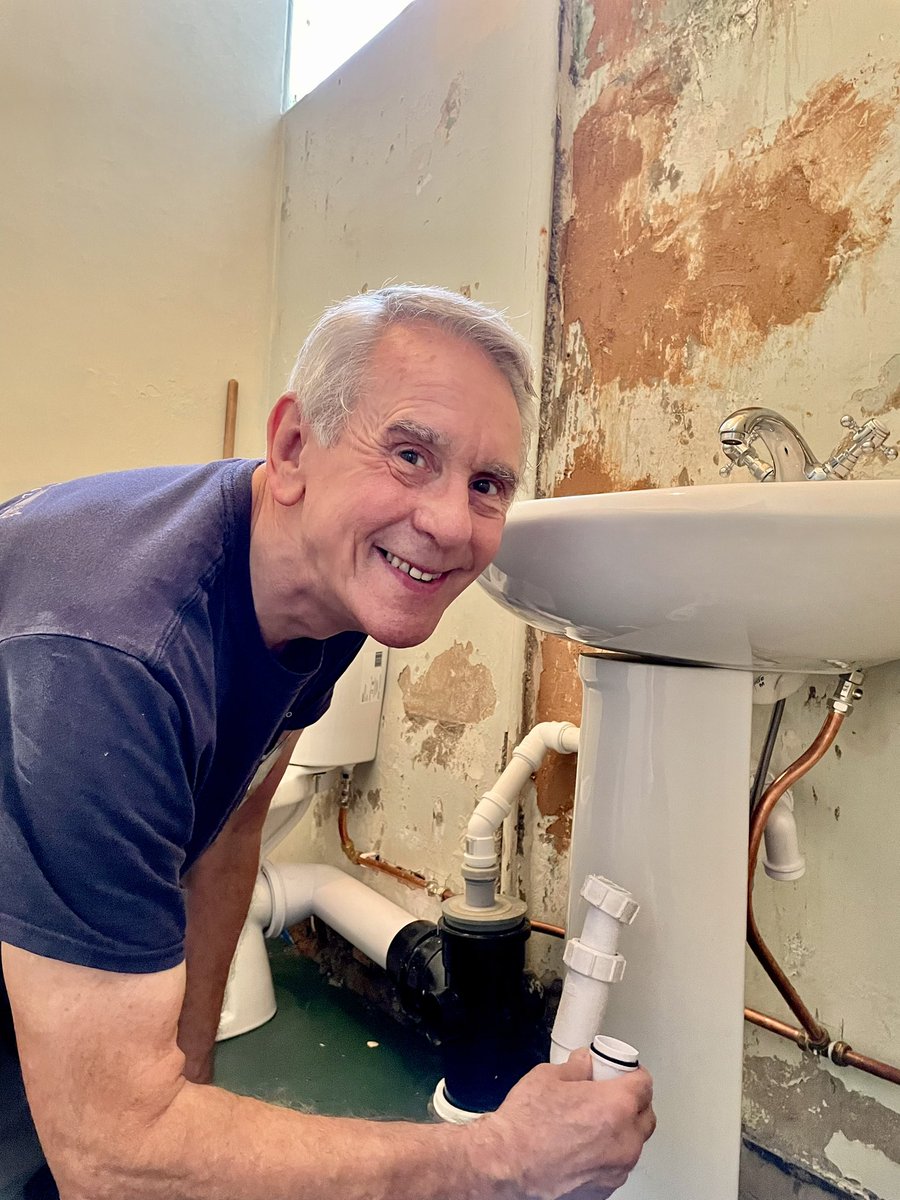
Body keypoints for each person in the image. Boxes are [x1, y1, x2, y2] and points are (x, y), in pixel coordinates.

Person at [0, 285, 655, 1199]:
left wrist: (186, 1105)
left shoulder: (329, 587)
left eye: (487, 485)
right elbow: (111, 1153)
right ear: (294, 446)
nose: (451, 525)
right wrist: (498, 1158)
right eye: (411, 454)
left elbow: (230, 840)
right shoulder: (115, 657)